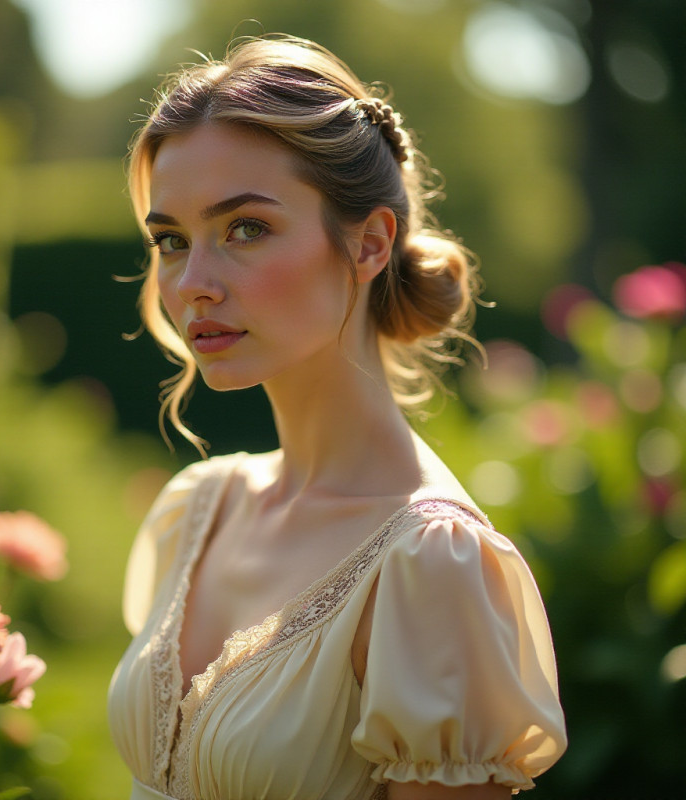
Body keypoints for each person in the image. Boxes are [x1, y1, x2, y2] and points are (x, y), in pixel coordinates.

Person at [107, 34, 567, 800]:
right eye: (171, 240)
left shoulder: (431, 567)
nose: (193, 283)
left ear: (369, 242)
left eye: (245, 228)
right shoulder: (198, 510)